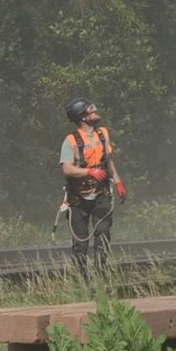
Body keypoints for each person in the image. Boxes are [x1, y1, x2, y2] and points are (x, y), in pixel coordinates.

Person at [57, 97, 125, 274]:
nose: (95, 112)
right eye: (91, 111)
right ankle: (83, 278)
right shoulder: (70, 141)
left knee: (103, 234)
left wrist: (118, 181)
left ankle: (101, 273)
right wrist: (90, 172)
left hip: (101, 194)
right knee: (80, 242)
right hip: (78, 198)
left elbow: (108, 161)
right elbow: (68, 169)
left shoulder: (102, 134)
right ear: (82, 117)